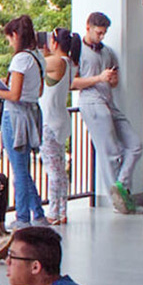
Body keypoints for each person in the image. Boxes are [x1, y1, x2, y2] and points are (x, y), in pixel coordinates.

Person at [71, 11, 143, 214]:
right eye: (98, 33)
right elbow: (71, 83)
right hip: (92, 102)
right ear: (88, 28)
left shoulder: (107, 52)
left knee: (135, 146)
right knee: (111, 152)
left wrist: (111, 79)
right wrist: (99, 78)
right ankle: (118, 200)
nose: (101, 37)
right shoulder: (78, 52)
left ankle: (120, 186)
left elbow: (114, 81)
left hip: (108, 101)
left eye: (104, 33)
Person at [0, 15, 47, 229]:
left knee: (19, 170)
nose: (10, 43)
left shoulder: (20, 59)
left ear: (16, 35)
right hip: (32, 113)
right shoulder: (38, 56)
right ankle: (38, 213)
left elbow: (14, 95)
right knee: (24, 168)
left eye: (10, 38)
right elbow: (38, 91)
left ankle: (22, 218)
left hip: (16, 117)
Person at [39, 28, 80, 225]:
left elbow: (33, 65)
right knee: (60, 169)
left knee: (53, 170)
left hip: (49, 122)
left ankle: (54, 212)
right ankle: (62, 210)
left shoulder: (55, 62)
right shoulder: (71, 63)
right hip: (61, 119)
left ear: (55, 43)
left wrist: (42, 52)